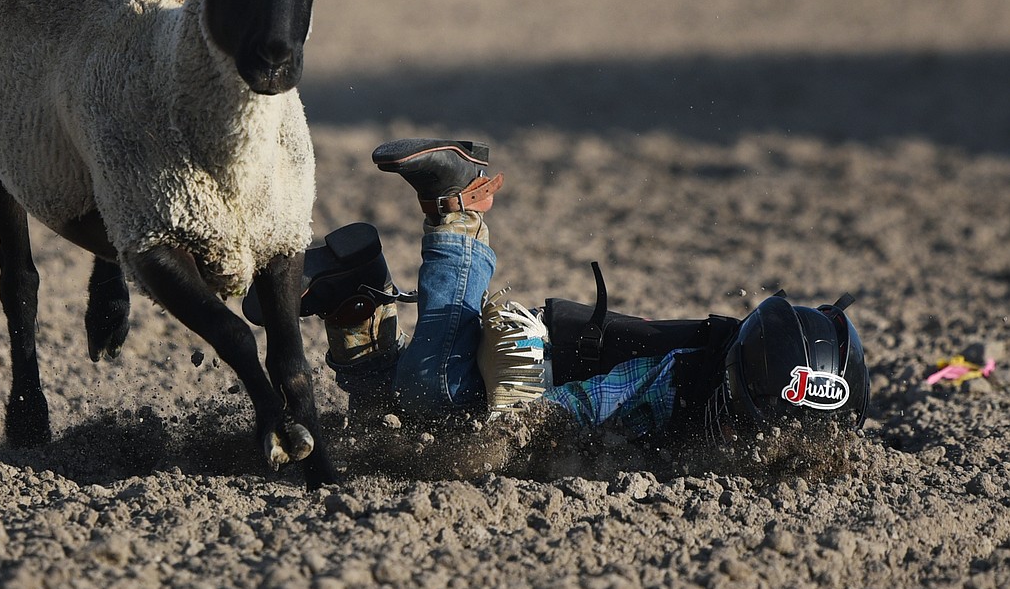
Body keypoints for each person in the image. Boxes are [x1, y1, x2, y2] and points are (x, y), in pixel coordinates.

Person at [245, 138, 870, 444]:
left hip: (557, 367)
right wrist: (515, 433)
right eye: (764, 428)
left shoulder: (768, 398)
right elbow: (562, 417)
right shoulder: (682, 376)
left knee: (382, 421)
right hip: (541, 366)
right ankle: (457, 209)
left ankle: (356, 294)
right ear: (736, 386)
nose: (775, 448)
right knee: (432, 398)